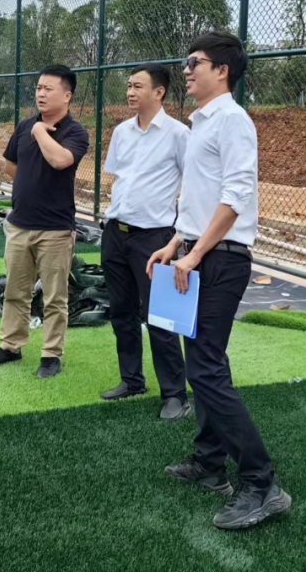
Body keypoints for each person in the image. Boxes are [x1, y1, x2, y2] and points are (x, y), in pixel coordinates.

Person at [147, 31, 291, 531]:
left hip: (221, 261)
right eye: (186, 62)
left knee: (206, 368)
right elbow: (201, 198)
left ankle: (262, 483)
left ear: (222, 70)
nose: (186, 70)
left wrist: (195, 254)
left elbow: (235, 197)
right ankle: (210, 464)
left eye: (195, 62)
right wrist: (176, 243)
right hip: (198, 254)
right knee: (203, 363)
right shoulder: (203, 122)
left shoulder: (233, 120)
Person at [0, 65, 89, 379]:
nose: (40, 93)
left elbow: (60, 160)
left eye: (48, 89)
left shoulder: (75, 132)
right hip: (19, 225)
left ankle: (51, 355)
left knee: (55, 298)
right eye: (39, 88)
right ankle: (9, 347)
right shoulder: (24, 125)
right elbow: (10, 165)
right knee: (15, 291)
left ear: (66, 96)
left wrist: (40, 131)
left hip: (55, 229)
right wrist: (31, 182)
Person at [99, 64, 191, 421]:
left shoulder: (178, 135)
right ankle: (132, 380)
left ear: (159, 92)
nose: (130, 92)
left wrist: (179, 235)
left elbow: (194, 185)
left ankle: (175, 395)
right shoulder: (122, 132)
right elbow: (119, 179)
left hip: (154, 239)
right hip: (116, 233)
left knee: (161, 318)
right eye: (128, 86)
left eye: (137, 86)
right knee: (121, 311)